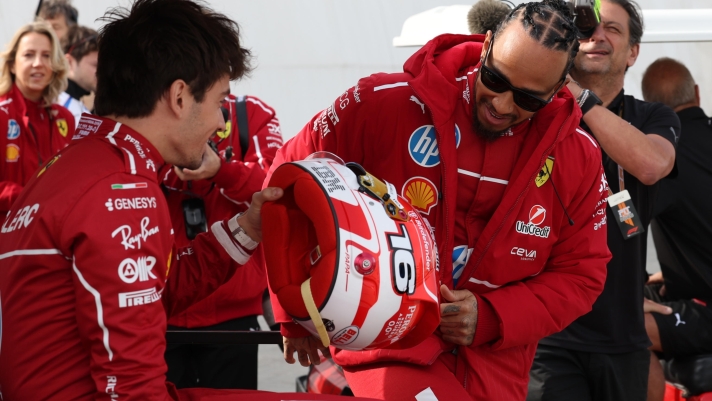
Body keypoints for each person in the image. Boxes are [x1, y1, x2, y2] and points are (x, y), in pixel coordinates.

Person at [267, 1, 611, 400]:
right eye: (495, 80)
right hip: (388, 354)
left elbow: (581, 275)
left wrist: (493, 317)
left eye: (527, 99)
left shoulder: (578, 157)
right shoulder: (383, 102)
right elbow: (283, 184)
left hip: (496, 375)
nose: (501, 104)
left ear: (557, 90)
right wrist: (293, 312)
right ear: (485, 48)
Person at [0, 0, 285, 399]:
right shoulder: (122, 187)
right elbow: (133, 387)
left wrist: (247, 229)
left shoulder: (79, 162)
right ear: (180, 97)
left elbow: (154, 288)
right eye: (219, 101)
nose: (222, 121)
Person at [527, 2, 680, 401]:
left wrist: (581, 98)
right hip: (547, 336)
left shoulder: (654, 116)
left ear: (633, 51)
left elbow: (650, 164)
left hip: (623, 339)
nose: (596, 36)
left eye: (612, 29)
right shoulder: (532, 111)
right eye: (587, 29)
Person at [163, 94, 283, 390]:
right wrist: (182, 164)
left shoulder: (251, 112)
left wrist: (221, 171)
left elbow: (275, 184)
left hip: (234, 312)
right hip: (163, 310)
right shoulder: (155, 111)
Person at [640, 57, 712, 401]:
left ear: (653, 110)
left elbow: (621, 219)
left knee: (619, 322)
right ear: (697, 93)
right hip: (691, 295)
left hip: (705, 309)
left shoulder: (664, 157)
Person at [0, 21, 74, 215]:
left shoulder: (65, 119)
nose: (38, 63)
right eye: (28, 55)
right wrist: (32, 198)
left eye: (47, 56)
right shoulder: (2, 114)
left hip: (51, 236)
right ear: (12, 65)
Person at [58, 25, 98, 127]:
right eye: (96, 65)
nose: (103, 72)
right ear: (69, 62)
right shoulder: (55, 108)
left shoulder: (79, 107)